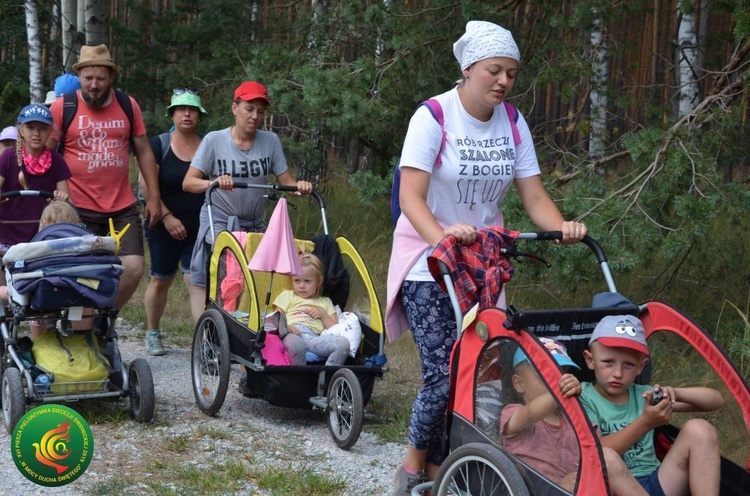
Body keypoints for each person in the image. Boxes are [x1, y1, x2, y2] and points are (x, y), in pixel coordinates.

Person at [385, 21, 588, 494]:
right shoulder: (433, 116)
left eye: (511, 74)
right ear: (468, 67)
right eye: (494, 70)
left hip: (484, 261)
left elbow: (534, 197)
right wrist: (443, 238)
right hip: (428, 260)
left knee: (487, 372)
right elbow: (411, 197)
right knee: (442, 372)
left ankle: (458, 460)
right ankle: (415, 466)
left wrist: (562, 228)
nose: (503, 81)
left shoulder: (513, 122)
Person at [182, 80, 312, 320]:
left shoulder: (270, 141)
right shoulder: (214, 140)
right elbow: (189, 182)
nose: (254, 116)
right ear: (235, 108)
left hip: (254, 223)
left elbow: (286, 179)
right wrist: (215, 182)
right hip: (220, 221)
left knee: (255, 280)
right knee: (224, 276)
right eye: (249, 109)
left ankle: (244, 333)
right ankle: (210, 332)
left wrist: (299, 187)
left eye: (260, 111)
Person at [47, 44, 162, 310]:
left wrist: (154, 198)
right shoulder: (64, 107)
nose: (95, 85)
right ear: (80, 78)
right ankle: (84, 323)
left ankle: (104, 318)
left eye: (100, 78)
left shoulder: (127, 105)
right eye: (88, 78)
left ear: (111, 77)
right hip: (77, 206)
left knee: (132, 268)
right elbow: (47, 156)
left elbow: (143, 151)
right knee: (83, 273)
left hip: (121, 206)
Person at [580, 314, 725, 495]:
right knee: (607, 458)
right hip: (614, 488)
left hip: (657, 480)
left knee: (700, 429)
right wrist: (646, 422)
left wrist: (676, 393)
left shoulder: (645, 395)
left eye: (629, 365)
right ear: (590, 360)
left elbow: (717, 400)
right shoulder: (583, 397)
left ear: (641, 366)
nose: (618, 373)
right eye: (608, 362)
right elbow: (597, 454)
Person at [501, 338, 648, 494]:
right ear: (519, 384)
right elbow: (529, 414)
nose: (557, 381)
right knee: (572, 481)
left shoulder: (572, 418)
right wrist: (559, 392)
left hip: (581, 487)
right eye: (544, 375)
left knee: (607, 457)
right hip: (540, 490)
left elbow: (595, 443)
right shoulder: (513, 413)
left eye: (561, 373)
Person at [139, 89, 208, 356]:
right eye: (181, 109)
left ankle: (204, 341)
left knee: (196, 281)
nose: (187, 114)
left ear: (199, 116)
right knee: (161, 280)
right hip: (162, 223)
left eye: (192, 110)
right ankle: (153, 332)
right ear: (173, 114)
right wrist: (167, 217)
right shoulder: (160, 144)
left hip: (199, 226)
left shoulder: (208, 144)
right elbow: (146, 185)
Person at [0, 200, 82, 339]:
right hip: (77, 292)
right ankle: (83, 337)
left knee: (6, 290)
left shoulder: (36, 250)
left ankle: (38, 342)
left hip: (42, 294)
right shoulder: (82, 247)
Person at [0, 104, 71, 253]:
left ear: (50, 131)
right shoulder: (8, 157)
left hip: (43, 235)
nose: (36, 133)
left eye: (43, 128)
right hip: (6, 233)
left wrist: (61, 198)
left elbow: (66, 199)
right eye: (31, 127)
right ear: (21, 131)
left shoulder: (57, 160)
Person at [271, 253, 348, 366]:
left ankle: (329, 377)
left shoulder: (325, 301)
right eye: (297, 280)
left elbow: (335, 328)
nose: (302, 286)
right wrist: (288, 327)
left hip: (315, 339)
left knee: (344, 344)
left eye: (307, 281)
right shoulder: (287, 296)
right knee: (294, 344)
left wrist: (323, 315)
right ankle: (300, 376)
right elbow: (276, 319)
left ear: (319, 281)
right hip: (292, 335)